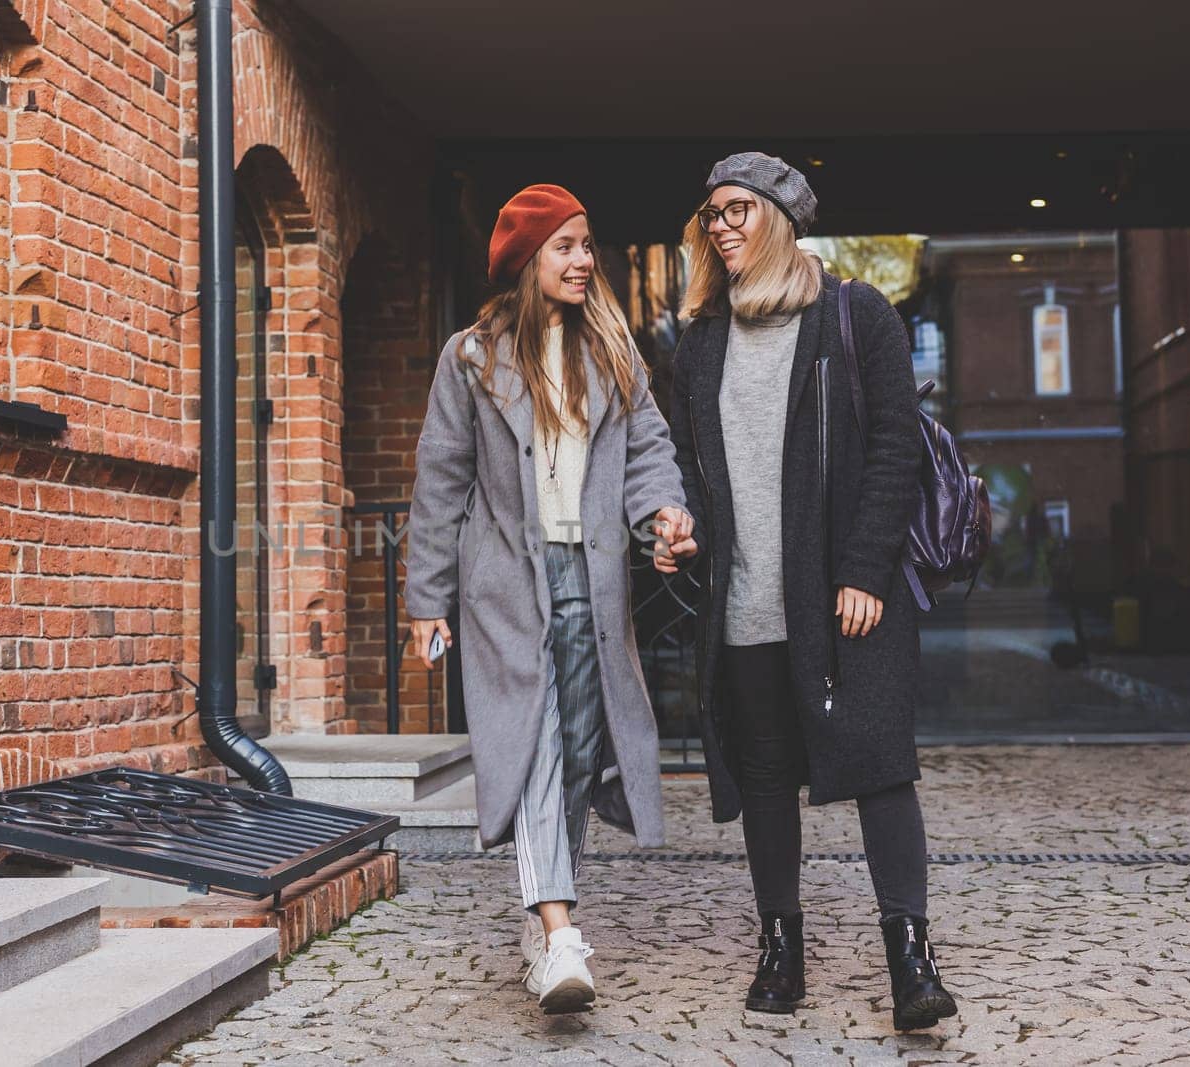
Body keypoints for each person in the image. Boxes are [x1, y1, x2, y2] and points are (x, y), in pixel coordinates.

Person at [668, 153, 959, 1031]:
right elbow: (689, 466)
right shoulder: (700, 343)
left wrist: (866, 569)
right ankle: (780, 947)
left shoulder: (853, 314)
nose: (719, 226)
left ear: (781, 219)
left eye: (736, 211)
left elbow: (894, 449)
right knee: (763, 776)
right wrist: (676, 524)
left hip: (844, 594)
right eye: (710, 215)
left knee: (880, 765)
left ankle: (911, 957)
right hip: (747, 597)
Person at [405, 184, 697, 1015]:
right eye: (565, 246)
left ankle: (544, 918)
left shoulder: (614, 349)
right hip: (505, 582)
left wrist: (664, 515)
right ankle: (561, 929)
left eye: (586, 243)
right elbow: (441, 480)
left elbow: (648, 453)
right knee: (532, 741)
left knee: (576, 746)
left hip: (595, 581)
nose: (583, 260)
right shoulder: (471, 357)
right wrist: (427, 598)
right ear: (527, 261)